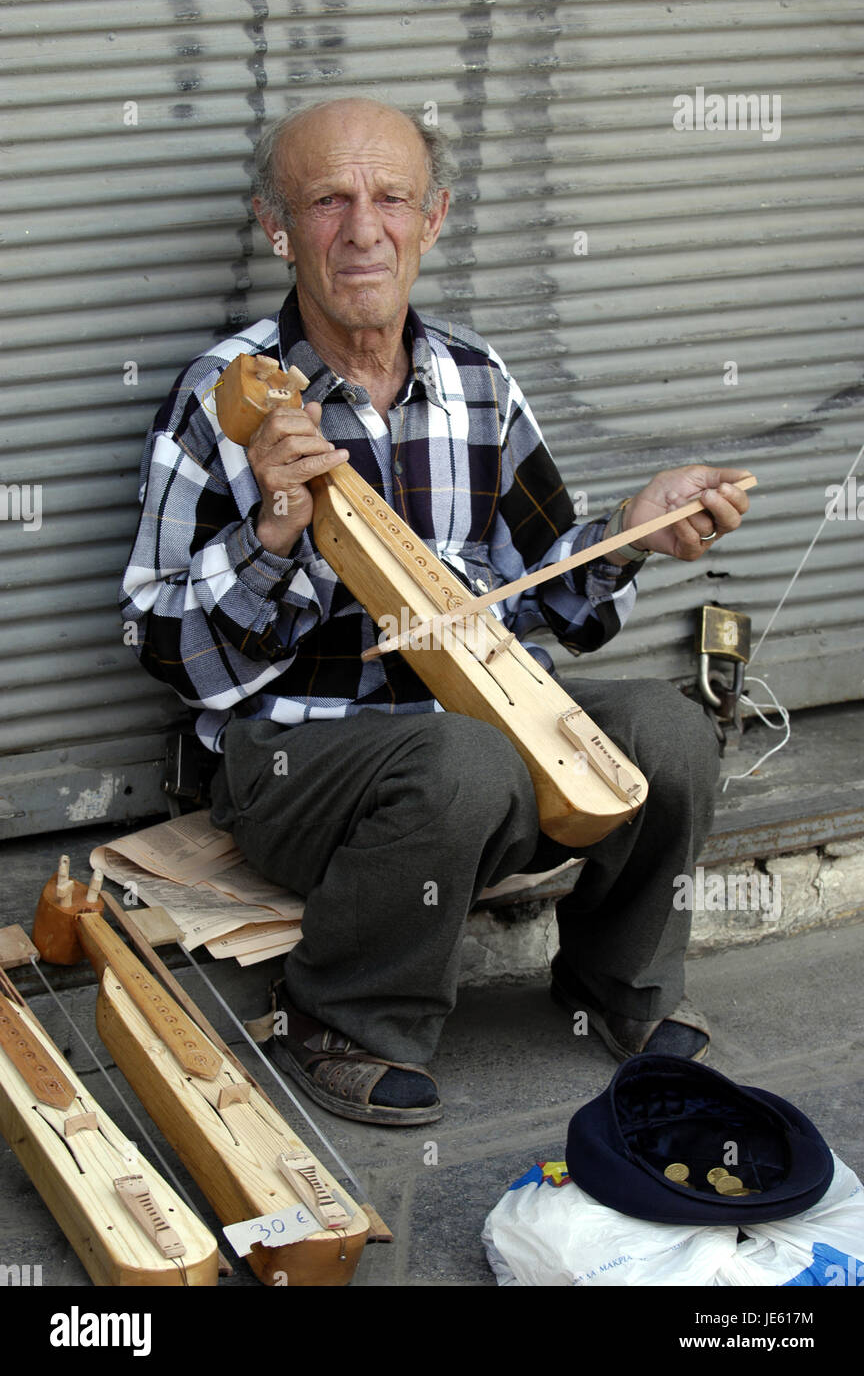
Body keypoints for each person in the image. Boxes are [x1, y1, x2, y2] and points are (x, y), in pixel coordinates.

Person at [120, 97, 751, 1127]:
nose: (362, 230)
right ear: (276, 228)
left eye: (390, 198)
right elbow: (154, 640)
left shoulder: (476, 380)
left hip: (468, 752)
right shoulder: (223, 397)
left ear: (435, 217)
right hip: (290, 765)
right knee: (467, 760)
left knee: (669, 731)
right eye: (327, 201)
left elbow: (549, 592)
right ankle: (343, 1018)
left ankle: (616, 987)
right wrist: (272, 536)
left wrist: (632, 532)